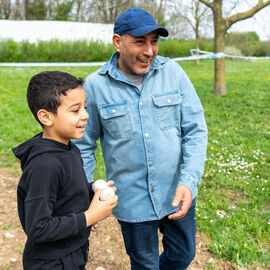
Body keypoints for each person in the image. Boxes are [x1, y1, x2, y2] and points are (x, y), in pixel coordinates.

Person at [74, 8, 207, 270]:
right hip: (133, 202)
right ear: (117, 42)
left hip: (176, 193)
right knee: (145, 265)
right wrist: (87, 192)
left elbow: (195, 130)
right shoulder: (94, 86)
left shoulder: (174, 73)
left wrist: (189, 181)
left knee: (183, 255)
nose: (149, 51)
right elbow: (83, 145)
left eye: (154, 41)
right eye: (139, 41)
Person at [12, 71, 118, 270]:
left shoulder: (69, 148)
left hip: (72, 252)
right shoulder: (44, 165)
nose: (86, 115)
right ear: (46, 117)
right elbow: (39, 228)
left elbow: (64, 192)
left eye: (85, 108)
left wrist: (90, 191)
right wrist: (89, 217)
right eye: (75, 110)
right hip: (51, 263)